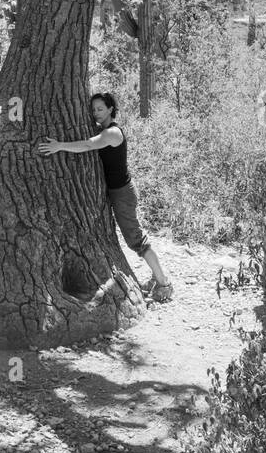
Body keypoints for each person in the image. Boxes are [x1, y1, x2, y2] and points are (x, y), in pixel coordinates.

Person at [37, 91, 174, 303]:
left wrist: (59, 146)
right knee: (134, 238)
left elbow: (89, 144)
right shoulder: (103, 129)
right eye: (93, 109)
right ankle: (158, 280)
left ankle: (164, 284)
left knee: (136, 240)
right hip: (114, 192)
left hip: (122, 193)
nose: (96, 113)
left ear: (111, 109)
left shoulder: (112, 133)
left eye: (100, 109)